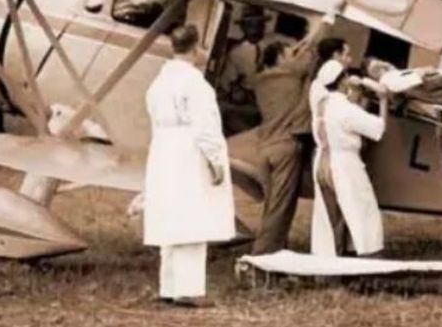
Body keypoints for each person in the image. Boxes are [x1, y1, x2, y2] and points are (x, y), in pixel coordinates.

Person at [136, 24, 234, 306]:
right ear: (195, 49)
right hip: (188, 149)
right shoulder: (195, 83)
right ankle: (189, 289)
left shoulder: (159, 83)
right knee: (192, 215)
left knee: (171, 214)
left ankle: (169, 286)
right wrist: (215, 159)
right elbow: (205, 126)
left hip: (164, 148)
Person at [247, 27, 325, 255]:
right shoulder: (292, 77)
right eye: (292, 53)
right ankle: (261, 260)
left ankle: (274, 252)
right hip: (286, 148)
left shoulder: (261, 81)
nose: (298, 55)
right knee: (280, 210)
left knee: (272, 207)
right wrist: (322, 24)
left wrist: (295, 49)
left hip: (265, 148)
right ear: (280, 58)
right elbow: (311, 59)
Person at [311, 71, 389, 257]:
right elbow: (378, 128)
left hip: (321, 160)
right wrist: (383, 100)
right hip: (345, 163)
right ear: (342, 81)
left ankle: (329, 260)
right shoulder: (344, 108)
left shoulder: (321, 102)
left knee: (329, 217)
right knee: (363, 212)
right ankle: (368, 262)